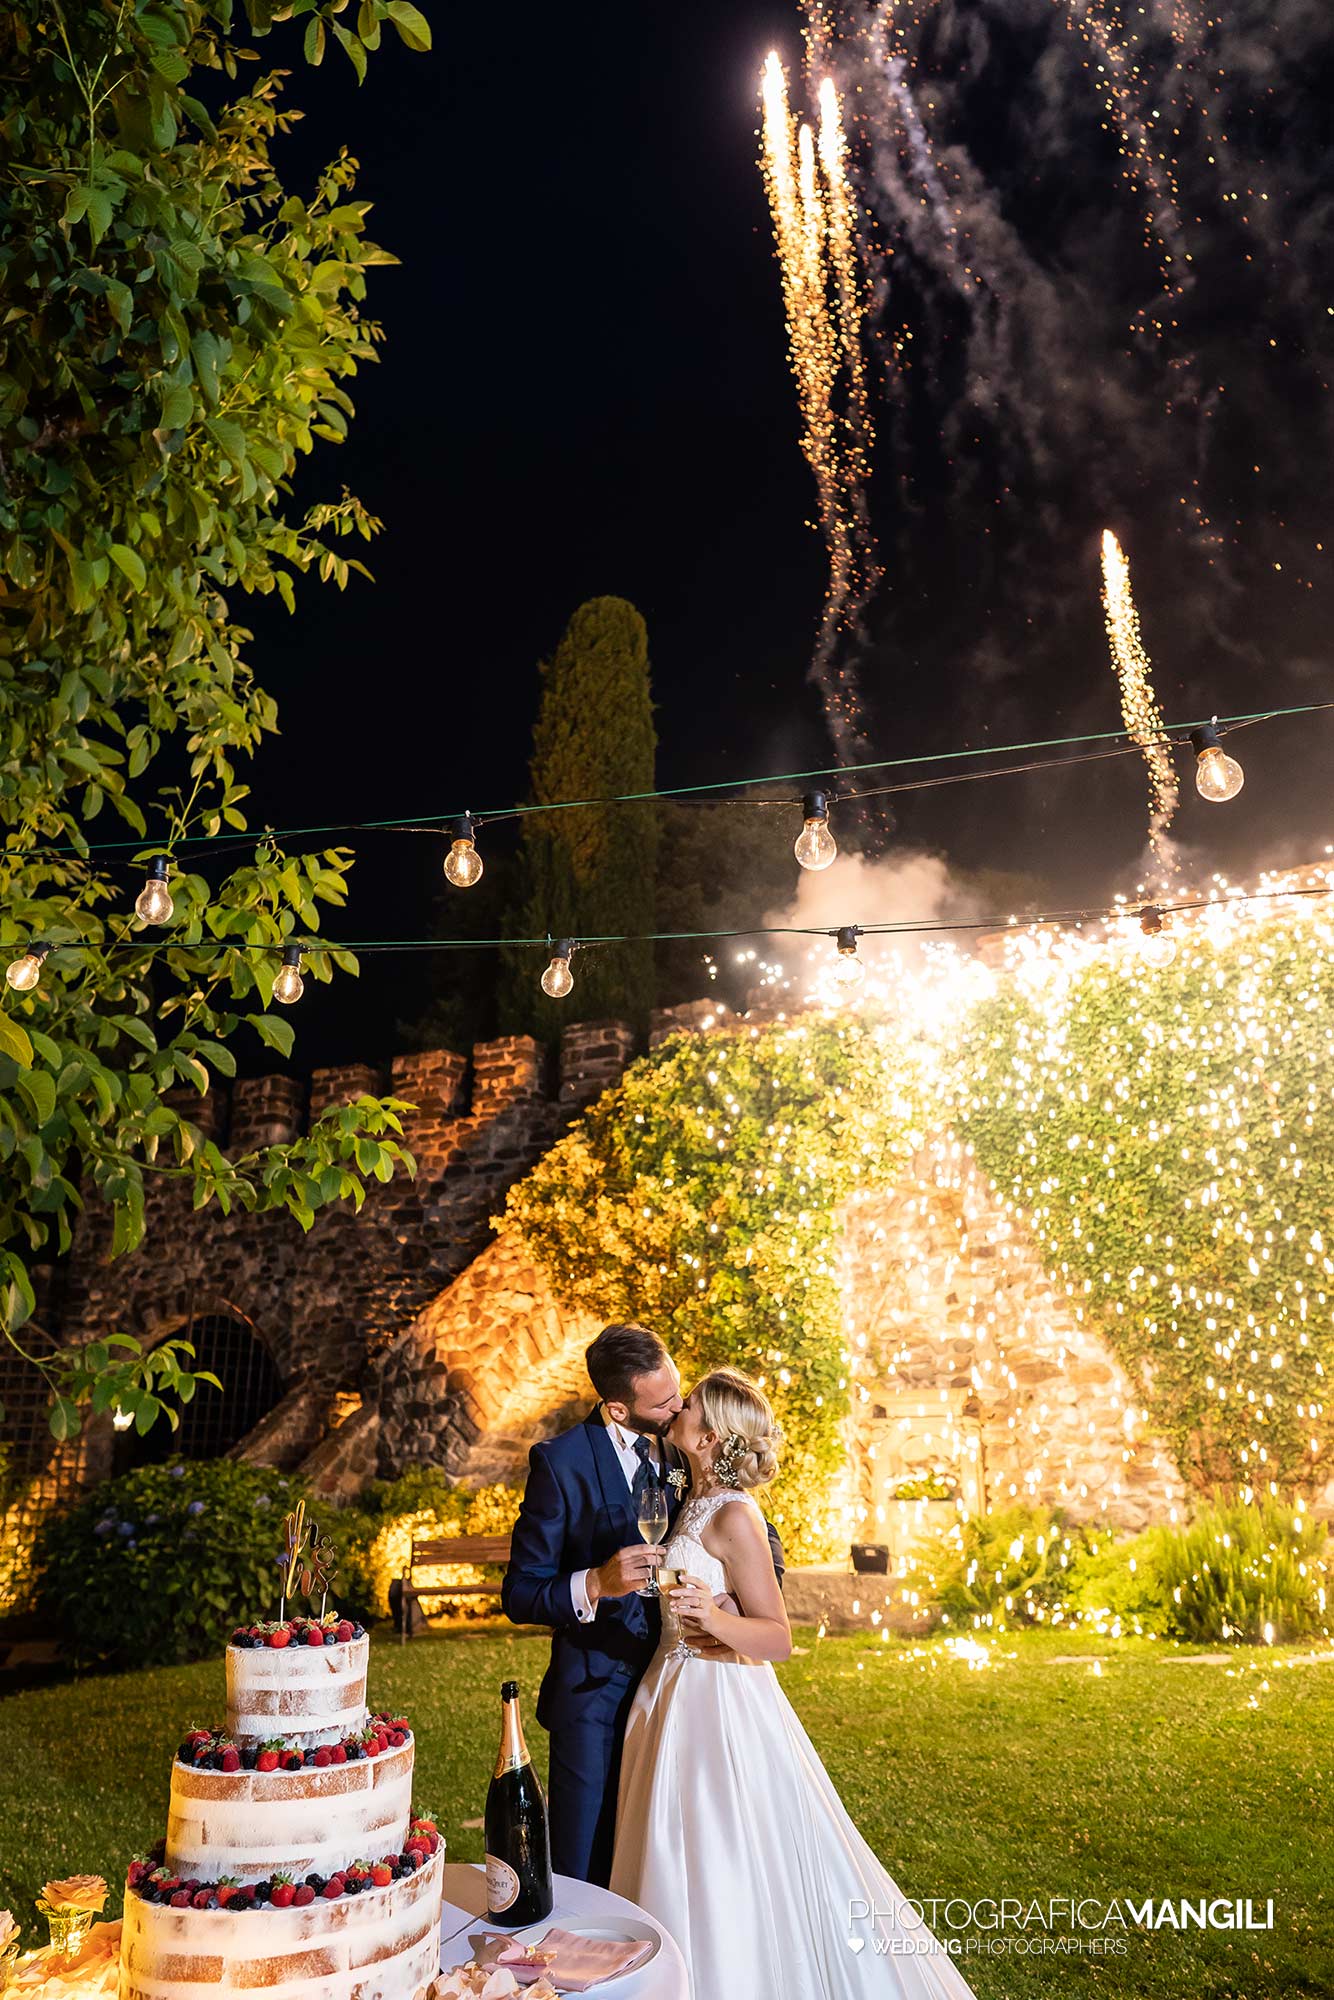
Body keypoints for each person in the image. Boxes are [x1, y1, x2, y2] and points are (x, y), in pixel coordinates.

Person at [610, 1366, 980, 2000]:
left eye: (690, 1403)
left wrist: (715, 1619)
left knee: (721, 1848)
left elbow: (778, 1637)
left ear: (710, 1435)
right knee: (667, 1848)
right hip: (670, 1692)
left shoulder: (735, 1514)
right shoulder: (691, 1498)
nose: (678, 1407)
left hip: (718, 1703)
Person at [501, 1324, 785, 1887]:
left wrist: (734, 1602)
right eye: (663, 1403)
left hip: (681, 1688)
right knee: (584, 1862)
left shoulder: (688, 1444)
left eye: (679, 1394)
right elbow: (521, 1591)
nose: (678, 1406)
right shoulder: (560, 1463)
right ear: (618, 1408)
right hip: (594, 1696)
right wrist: (595, 1584)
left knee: (667, 1857)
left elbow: (757, 1533)